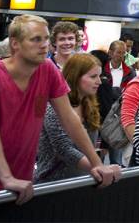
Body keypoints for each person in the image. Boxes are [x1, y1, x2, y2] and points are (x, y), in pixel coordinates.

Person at [0, 15, 118, 203]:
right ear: (15, 44)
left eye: (45, 39)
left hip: (21, 182)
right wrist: (6, 178)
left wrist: (97, 163)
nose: (44, 45)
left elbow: (69, 118)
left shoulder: (48, 70)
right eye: (36, 39)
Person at [35, 53, 119, 182]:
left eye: (99, 76)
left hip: (83, 181)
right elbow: (64, 149)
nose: (99, 81)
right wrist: (100, 167)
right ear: (75, 77)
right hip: (53, 184)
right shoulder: (53, 107)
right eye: (93, 76)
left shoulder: (89, 104)